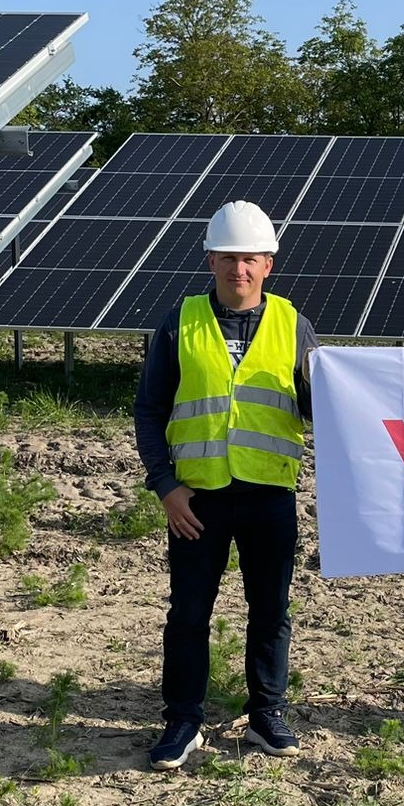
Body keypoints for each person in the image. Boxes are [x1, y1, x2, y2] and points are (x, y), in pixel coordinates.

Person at [133, 200, 318, 769]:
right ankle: (183, 720)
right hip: (197, 500)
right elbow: (149, 409)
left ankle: (266, 713)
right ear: (210, 260)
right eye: (228, 257)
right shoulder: (178, 322)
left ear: (269, 264)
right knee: (189, 612)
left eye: (250, 259)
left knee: (271, 610)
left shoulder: (294, 326)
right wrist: (165, 486)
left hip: (269, 497)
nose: (239, 268)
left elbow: (320, 410)